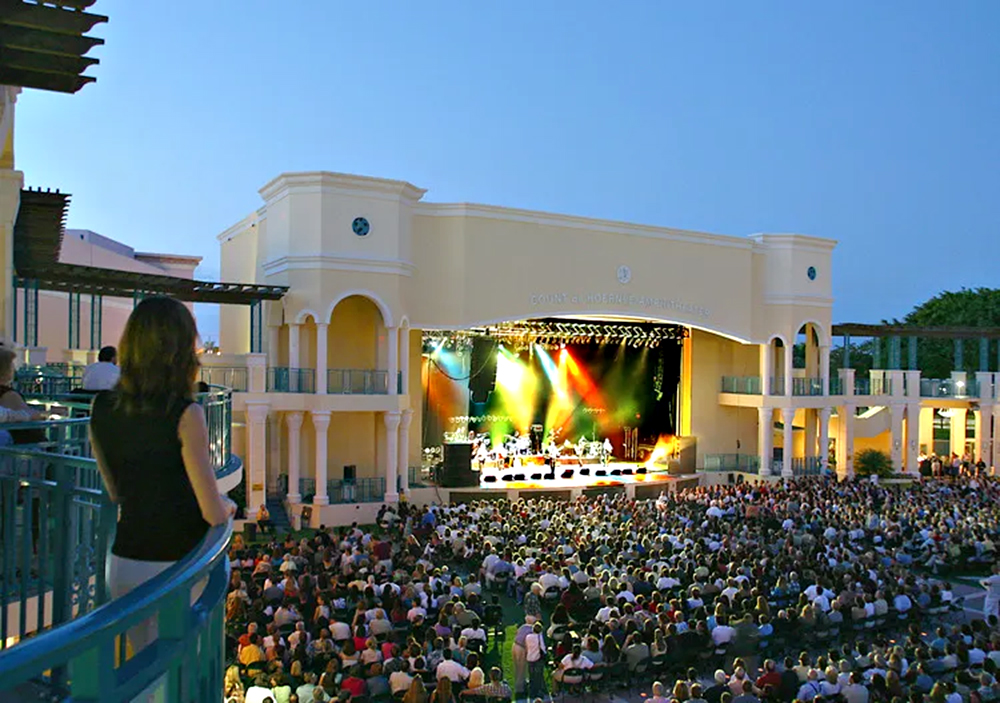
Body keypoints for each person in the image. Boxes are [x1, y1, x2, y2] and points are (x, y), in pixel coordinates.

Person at [89, 297, 235, 651]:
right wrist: (226, 506)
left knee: (140, 668)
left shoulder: (101, 407)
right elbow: (210, 510)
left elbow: (114, 491)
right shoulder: (186, 414)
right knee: (178, 669)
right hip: (176, 563)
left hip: (124, 560)